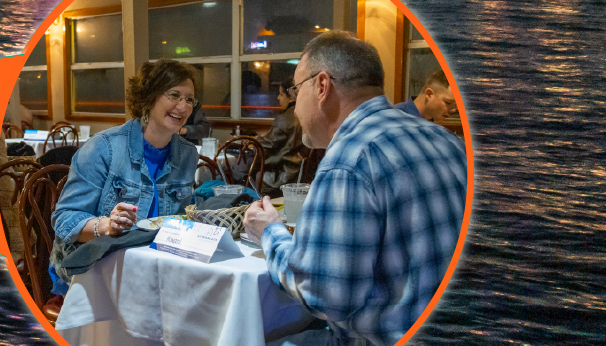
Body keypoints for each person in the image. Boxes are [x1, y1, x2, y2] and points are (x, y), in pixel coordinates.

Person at [243, 32, 467, 346]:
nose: (294, 107)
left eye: (296, 90)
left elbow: (325, 296)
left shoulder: (349, 159)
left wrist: (269, 232)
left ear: (321, 86)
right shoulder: (447, 142)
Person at [50, 59, 202, 291]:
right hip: (93, 271)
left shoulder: (188, 154)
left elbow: (179, 220)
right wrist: (107, 225)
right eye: (174, 95)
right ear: (149, 97)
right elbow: (64, 219)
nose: (183, 107)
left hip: (152, 269)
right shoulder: (104, 148)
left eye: (189, 99)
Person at [394, 68, 459, 127]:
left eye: (455, 104)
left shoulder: (432, 123)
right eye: (448, 102)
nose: (453, 110)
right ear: (429, 94)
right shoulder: (395, 118)